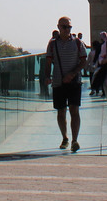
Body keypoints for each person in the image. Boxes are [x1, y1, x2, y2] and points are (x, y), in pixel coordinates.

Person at [43, 15, 87, 152]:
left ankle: (75, 140)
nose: (67, 29)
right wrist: (47, 76)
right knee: (61, 111)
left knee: (74, 110)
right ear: (58, 27)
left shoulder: (78, 43)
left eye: (69, 27)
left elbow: (83, 61)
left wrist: (72, 74)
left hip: (74, 82)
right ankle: (65, 137)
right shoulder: (52, 44)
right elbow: (48, 62)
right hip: (58, 82)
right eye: (64, 27)